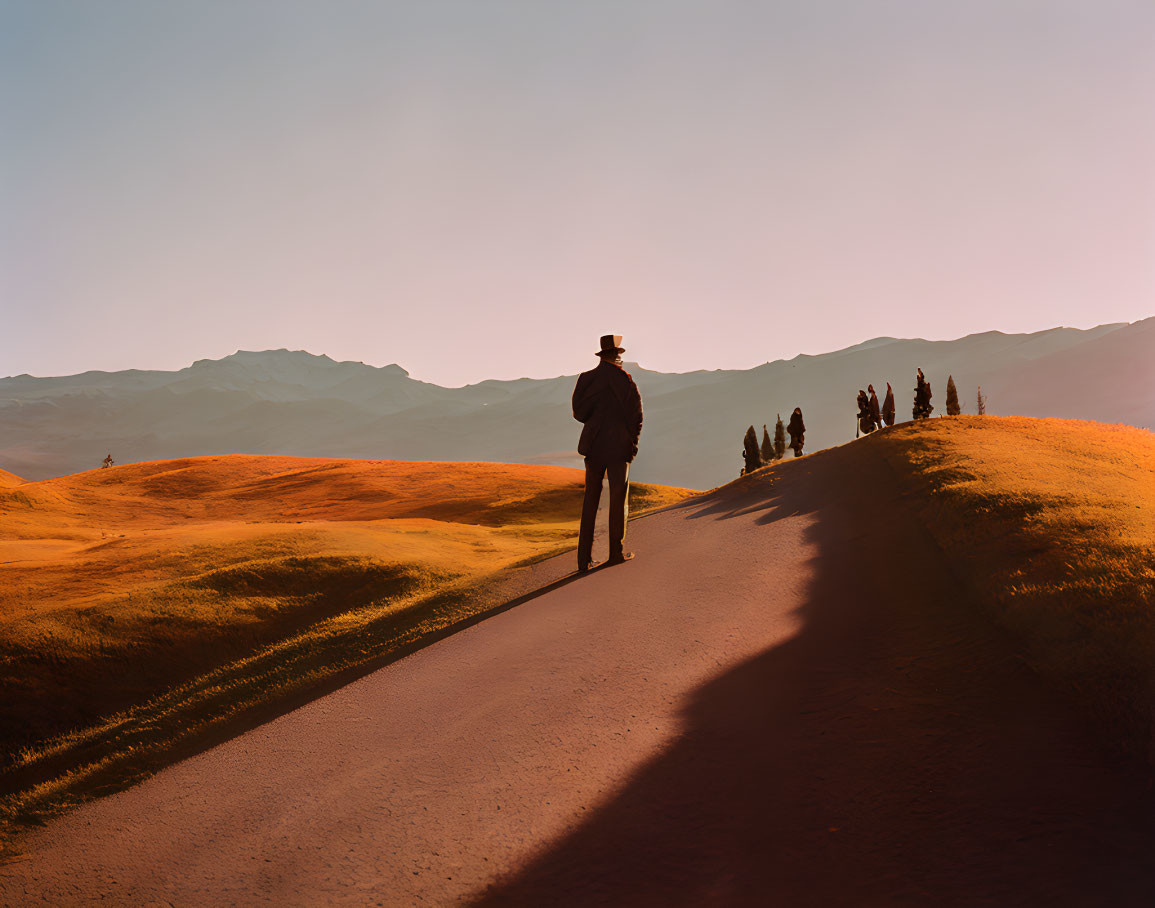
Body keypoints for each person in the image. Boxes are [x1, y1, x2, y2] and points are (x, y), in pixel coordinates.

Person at [572, 335, 644, 572]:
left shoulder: (586, 379)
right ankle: (615, 553)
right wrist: (632, 444)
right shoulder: (626, 381)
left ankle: (583, 560)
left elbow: (579, 414)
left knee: (590, 501)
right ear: (617, 356)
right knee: (617, 499)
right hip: (619, 448)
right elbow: (636, 417)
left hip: (593, 446)